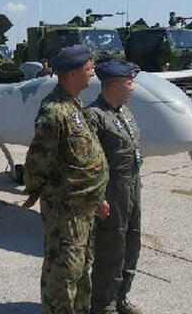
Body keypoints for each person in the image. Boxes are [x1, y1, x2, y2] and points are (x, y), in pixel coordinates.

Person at [22, 44, 109, 314]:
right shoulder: (54, 112)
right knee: (63, 274)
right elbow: (38, 160)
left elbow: (81, 157)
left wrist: (97, 197)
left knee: (82, 269)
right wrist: (35, 190)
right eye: (88, 67)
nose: (92, 71)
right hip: (65, 209)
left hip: (83, 206)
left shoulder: (74, 104)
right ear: (72, 74)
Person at [85, 60, 143, 314]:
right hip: (111, 190)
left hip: (132, 187)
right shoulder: (94, 116)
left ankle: (121, 298)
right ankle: (103, 305)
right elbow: (87, 163)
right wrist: (98, 197)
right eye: (129, 83)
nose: (132, 88)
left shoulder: (124, 112)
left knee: (132, 241)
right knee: (111, 248)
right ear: (115, 85)